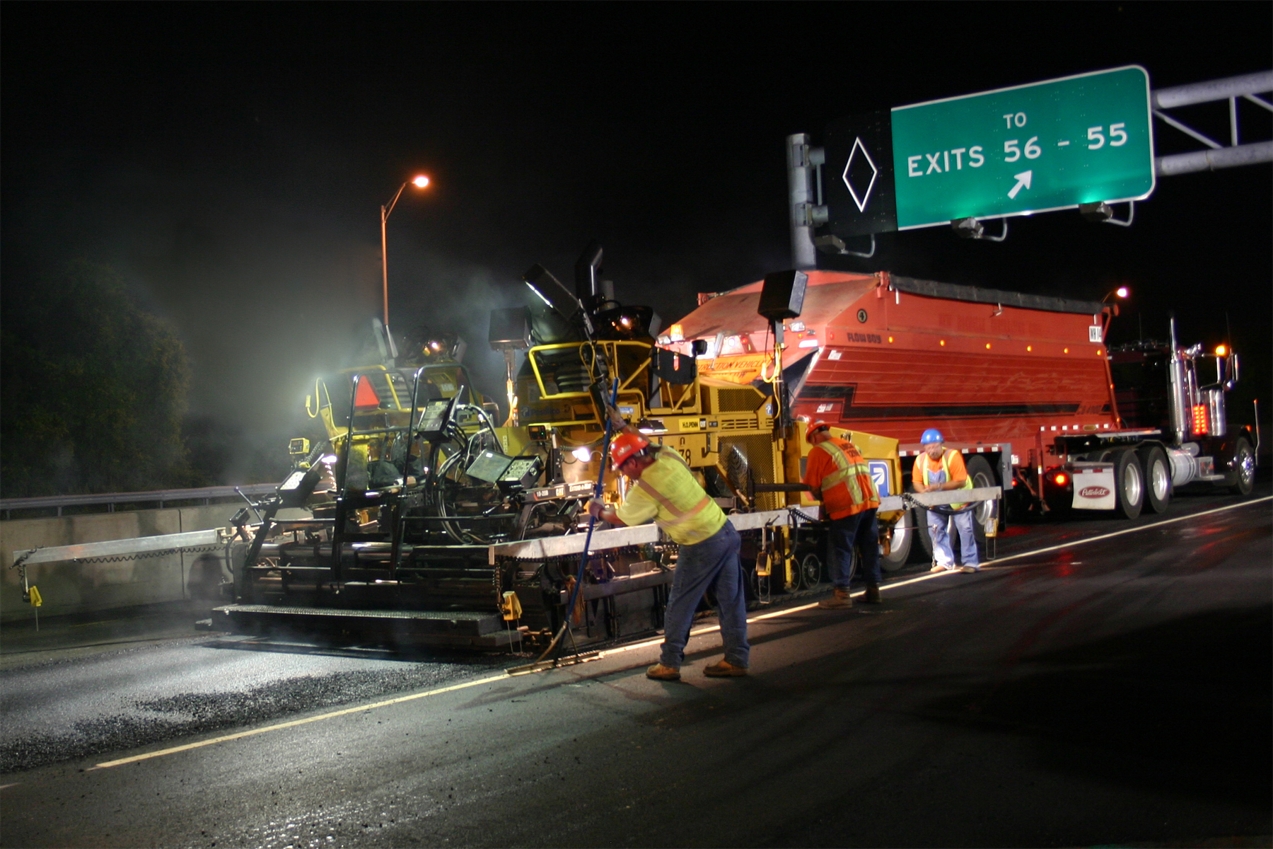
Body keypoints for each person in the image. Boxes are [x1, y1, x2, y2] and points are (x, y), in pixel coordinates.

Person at [587, 428, 750, 681]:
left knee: (680, 604)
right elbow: (649, 443)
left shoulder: (646, 487)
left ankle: (669, 663)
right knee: (731, 601)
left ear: (632, 462)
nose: (622, 473)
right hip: (725, 532)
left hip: (699, 543)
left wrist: (597, 510)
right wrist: (624, 426)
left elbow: (621, 518)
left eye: (621, 467)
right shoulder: (668, 455)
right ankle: (737, 659)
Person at [801, 420, 883, 609]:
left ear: (813, 437)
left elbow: (813, 486)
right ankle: (873, 591)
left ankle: (842, 595)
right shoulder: (848, 445)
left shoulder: (818, 451)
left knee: (840, 548)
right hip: (869, 500)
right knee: (869, 546)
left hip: (847, 504)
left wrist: (823, 498)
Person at [912, 428, 979, 574]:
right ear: (924, 448)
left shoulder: (952, 456)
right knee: (935, 530)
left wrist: (939, 486)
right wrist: (923, 492)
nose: (932, 450)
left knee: (965, 529)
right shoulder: (920, 460)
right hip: (937, 500)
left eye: (935, 446)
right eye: (928, 447)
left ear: (941, 444)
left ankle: (970, 562)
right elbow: (916, 481)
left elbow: (960, 481)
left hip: (958, 498)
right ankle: (944, 561)